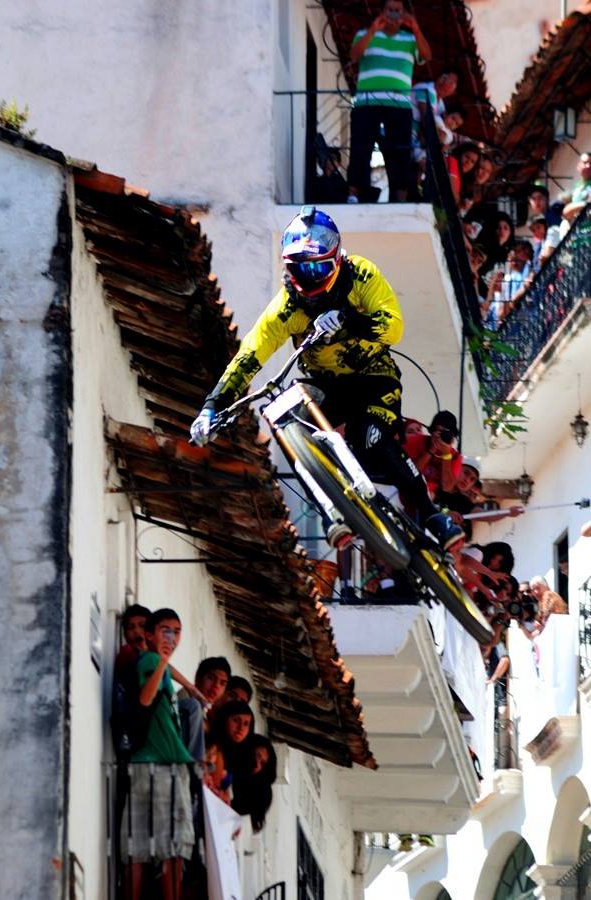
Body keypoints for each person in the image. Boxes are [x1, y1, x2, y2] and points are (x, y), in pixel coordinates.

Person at [189, 206, 464, 551]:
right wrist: (212, 406)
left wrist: (349, 319)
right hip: (327, 385)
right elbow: (249, 356)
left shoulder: (361, 274)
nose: (309, 277)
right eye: (299, 268)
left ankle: (431, 514)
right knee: (285, 420)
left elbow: (393, 327)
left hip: (374, 378)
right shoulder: (286, 308)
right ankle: (329, 511)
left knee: (370, 436)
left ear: (335, 260)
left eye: (318, 267)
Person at [121, 609, 194, 900]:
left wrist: (189, 685)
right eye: (166, 630)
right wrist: (163, 661)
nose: (171, 636)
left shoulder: (154, 662)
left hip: (144, 764)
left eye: (177, 631)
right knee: (174, 848)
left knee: (137, 847)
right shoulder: (152, 661)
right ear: (150, 635)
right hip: (165, 766)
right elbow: (145, 699)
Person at [346, 0, 432, 203]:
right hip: (367, 102)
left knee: (400, 152)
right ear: (382, 11)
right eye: (390, 10)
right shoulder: (364, 34)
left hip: (399, 105)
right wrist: (373, 30)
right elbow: (354, 55)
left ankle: (400, 197)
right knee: (360, 147)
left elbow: (427, 56)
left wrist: (416, 28)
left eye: (397, 11)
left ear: (404, 15)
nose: (393, 14)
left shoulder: (410, 39)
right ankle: (354, 194)